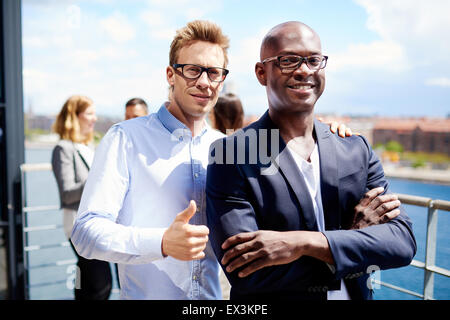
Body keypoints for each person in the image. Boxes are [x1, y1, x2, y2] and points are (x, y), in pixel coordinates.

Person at [71, 20, 384, 300]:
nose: (205, 82)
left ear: (223, 80)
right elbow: (84, 232)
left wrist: (328, 136)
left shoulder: (229, 148)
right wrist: (162, 242)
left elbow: (293, 186)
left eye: (214, 72)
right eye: (193, 70)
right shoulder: (126, 138)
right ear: (171, 74)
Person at [205, 21, 417, 300]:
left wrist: (303, 243)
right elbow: (248, 272)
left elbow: (402, 243)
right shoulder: (231, 155)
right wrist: (354, 244)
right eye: (289, 60)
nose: (304, 70)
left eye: (314, 60)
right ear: (261, 72)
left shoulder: (355, 149)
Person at [51, 95, 113, 300]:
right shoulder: (63, 148)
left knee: (88, 280)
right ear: (75, 116)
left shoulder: (86, 147)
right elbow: (67, 193)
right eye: (90, 113)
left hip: (94, 223)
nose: (94, 118)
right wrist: (99, 177)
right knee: (101, 284)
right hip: (79, 225)